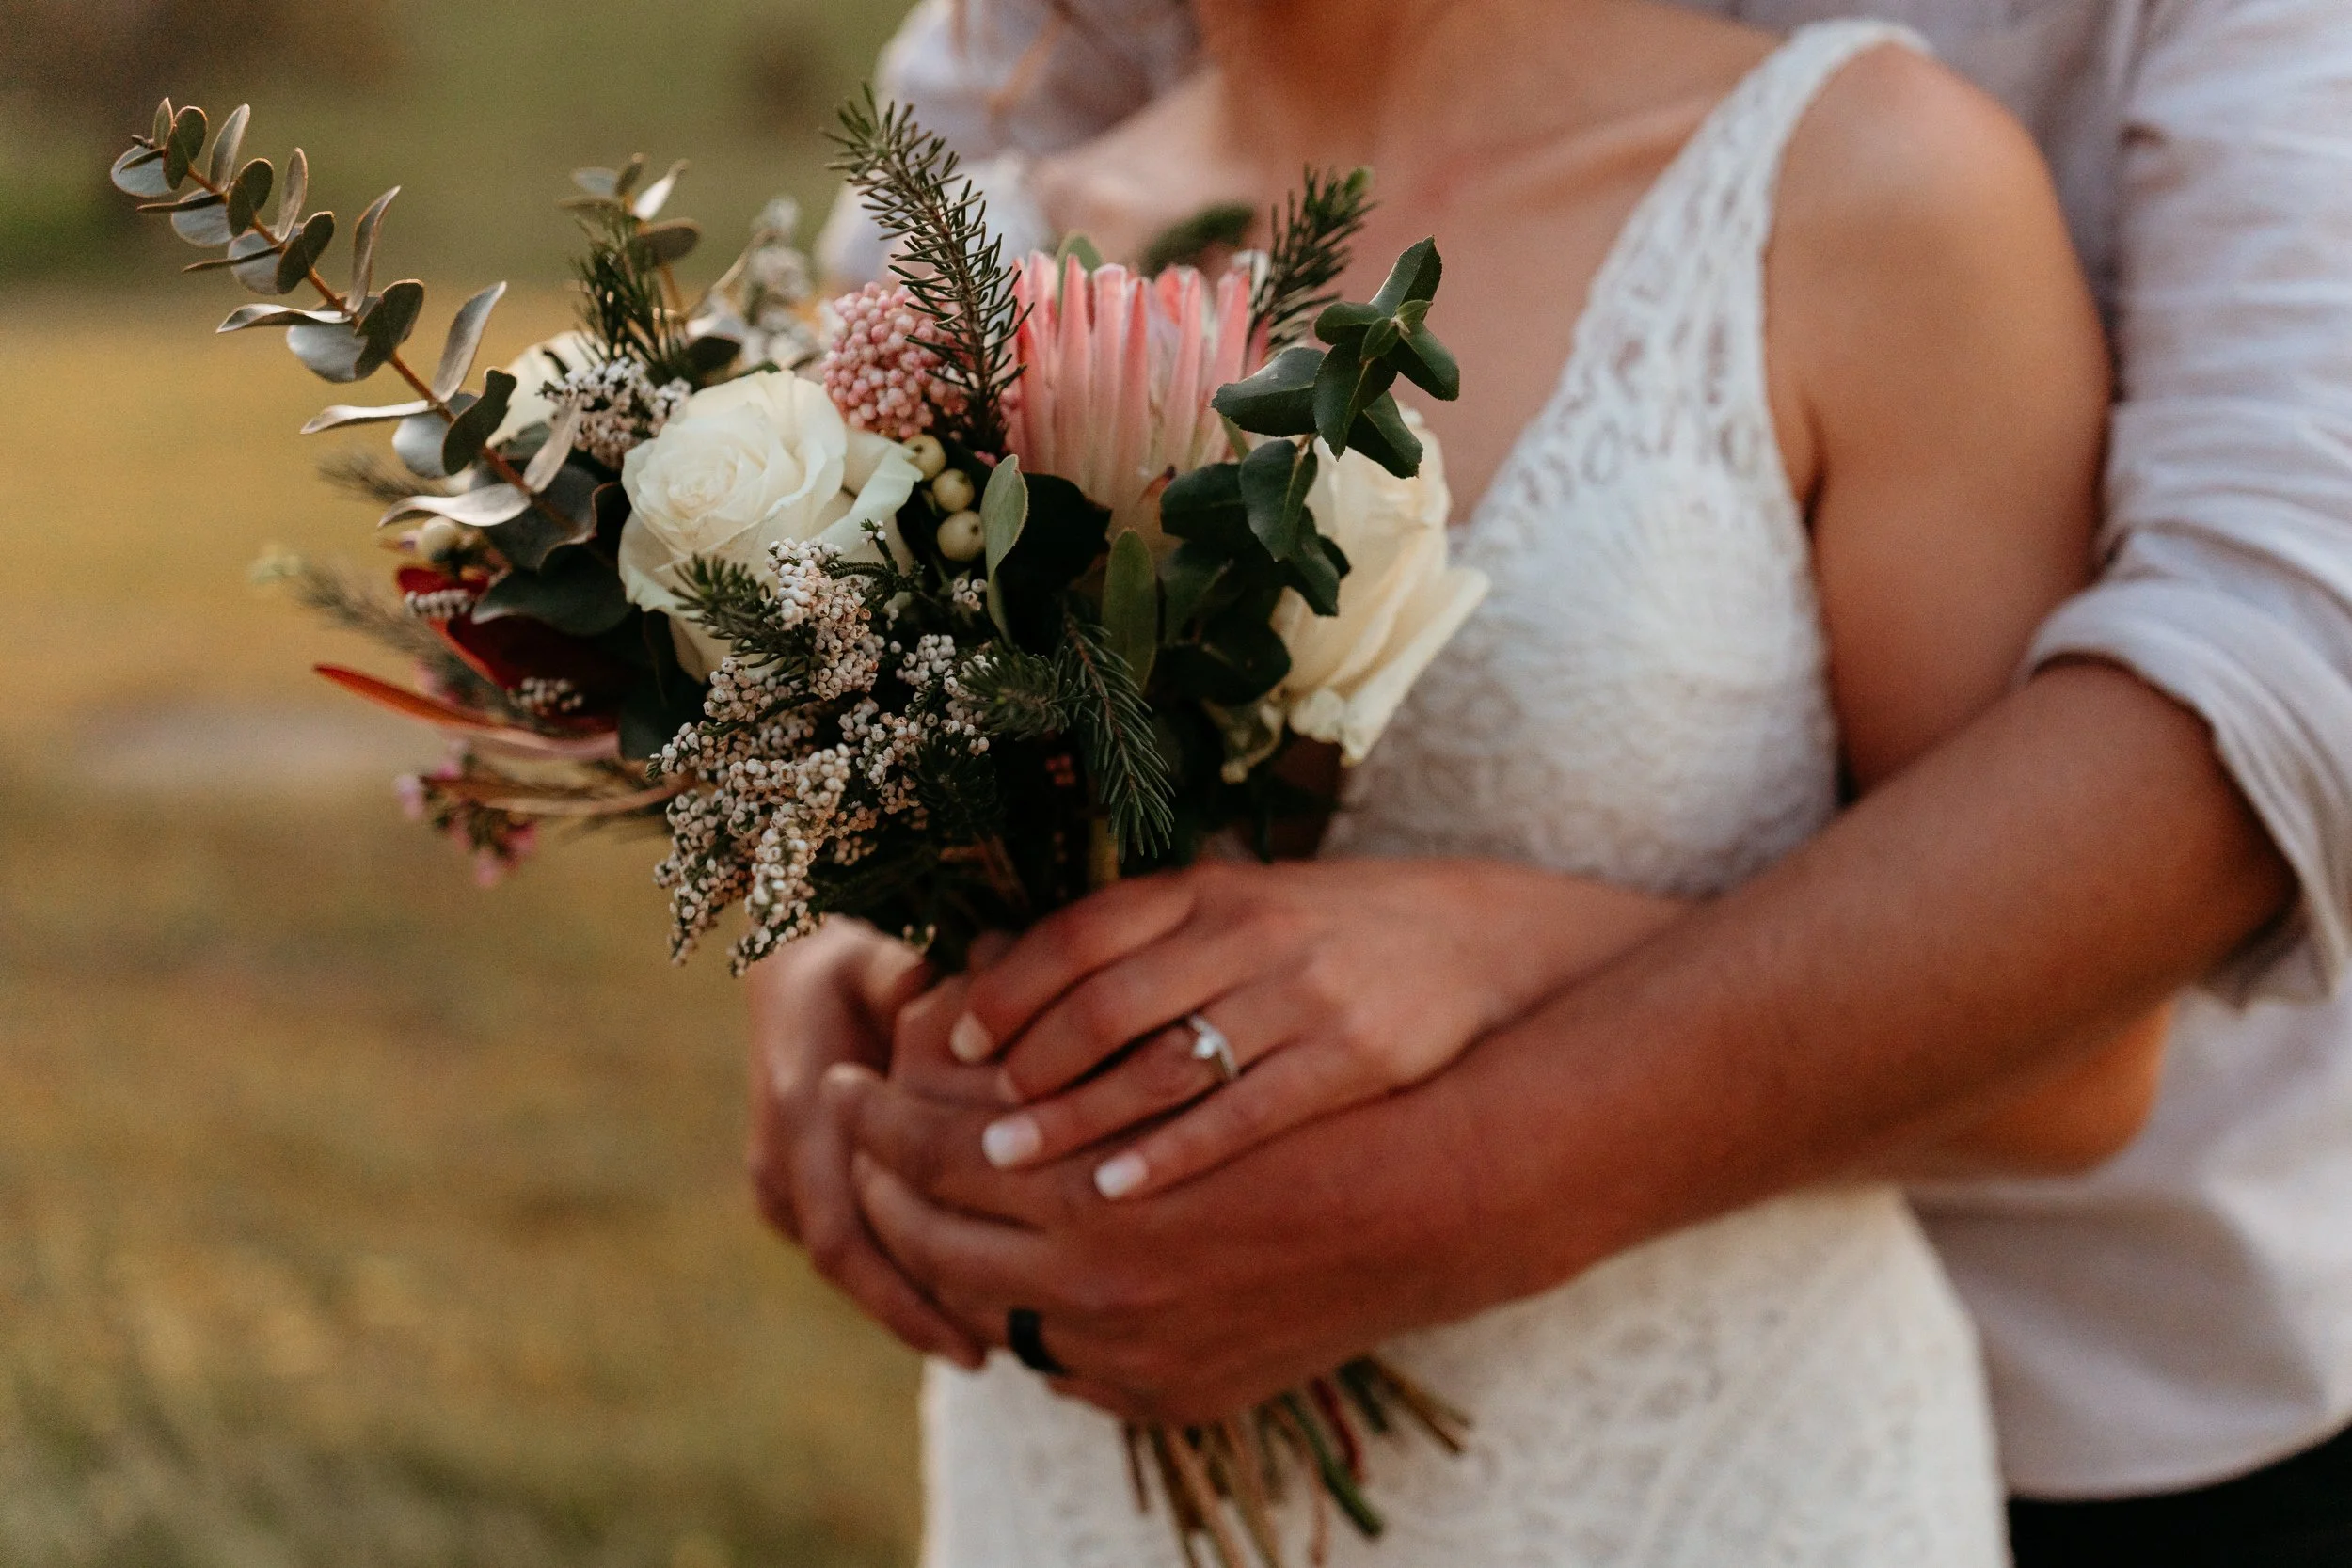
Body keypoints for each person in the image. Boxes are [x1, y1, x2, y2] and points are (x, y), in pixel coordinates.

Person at [755, 0, 2352, 1562]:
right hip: (1082, 1457)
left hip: (1903, 1416)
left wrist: (1502, 958)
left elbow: (2250, 699)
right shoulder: (1008, 225)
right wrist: (862, 947)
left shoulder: (1876, 185)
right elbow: (878, 682)